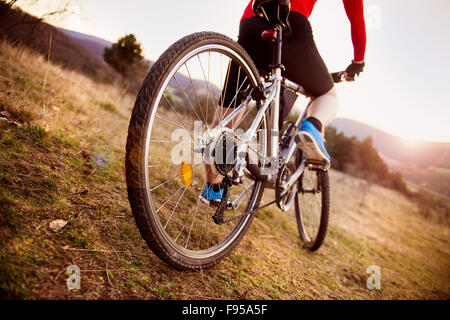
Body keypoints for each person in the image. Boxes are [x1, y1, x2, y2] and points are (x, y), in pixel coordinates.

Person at [201, 0, 366, 205]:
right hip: (291, 26)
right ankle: (312, 126)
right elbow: (356, 17)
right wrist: (358, 61)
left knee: (224, 121)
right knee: (327, 96)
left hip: (251, 24)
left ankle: (213, 189)